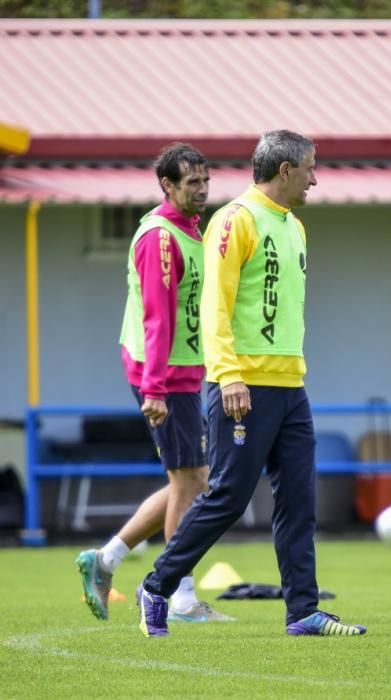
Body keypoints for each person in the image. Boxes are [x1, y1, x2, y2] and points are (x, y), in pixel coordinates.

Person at [135, 129, 367, 638]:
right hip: (242, 386)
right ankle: (156, 586)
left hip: (291, 386)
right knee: (227, 498)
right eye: (309, 168)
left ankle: (303, 611)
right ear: (285, 171)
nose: (315, 178)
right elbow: (214, 305)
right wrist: (231, 374)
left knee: (299, 499)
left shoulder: (295, 227)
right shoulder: (235, 220)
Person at [76, 143, 233, 624]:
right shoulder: (160, 238)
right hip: (163, 374)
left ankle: (105, 560)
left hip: (185, 371)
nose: (203, 190)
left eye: (206, 181)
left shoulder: (190, 228)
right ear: (167, 185)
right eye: (192, 183)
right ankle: (178, 595)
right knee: (194, 483)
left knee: (189, 480)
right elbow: (156, 319)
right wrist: (154, 388)